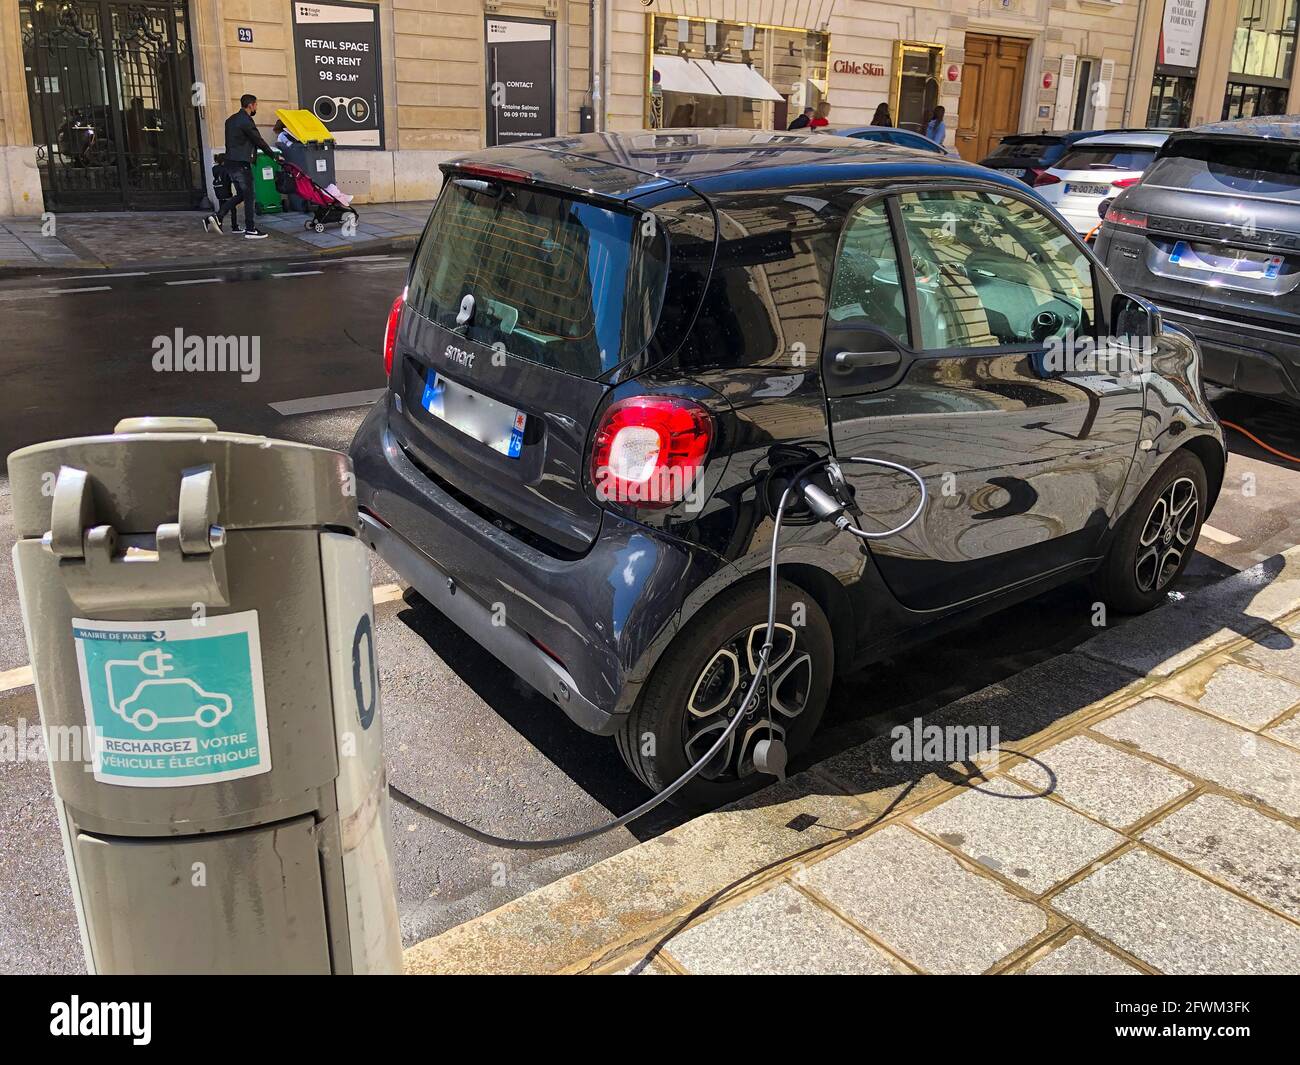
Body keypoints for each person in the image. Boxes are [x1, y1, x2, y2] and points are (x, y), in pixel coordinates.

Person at [205, 94, 275, 239]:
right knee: (249, 195)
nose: (256, 108)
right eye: (256, 105)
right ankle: (250, 229)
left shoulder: (230, 120)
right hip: (241, 163)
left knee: (242, 194)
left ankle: (218, 216)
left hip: (230, 162)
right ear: (250, 105)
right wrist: (274, 155)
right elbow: (258, 140)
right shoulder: (246, 121)